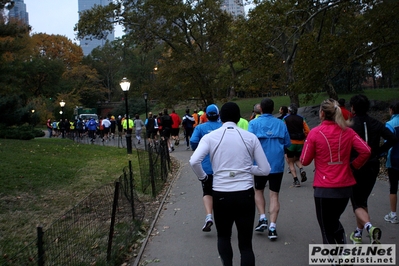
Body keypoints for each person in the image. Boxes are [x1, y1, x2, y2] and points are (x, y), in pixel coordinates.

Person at [190, 102, 271, 266]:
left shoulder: (210, 137)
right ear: (238, 117)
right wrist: (247, 168)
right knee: (246, 244)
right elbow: (265, 169)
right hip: (245, 193)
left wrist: (204, 177)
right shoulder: (250, 137)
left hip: (221, 193)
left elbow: (194, 161)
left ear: (221, 117)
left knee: (224, 236)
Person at [300, 98, 371, 245]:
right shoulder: (348, 132)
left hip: (323, 188)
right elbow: (366, 150)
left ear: (321, 113)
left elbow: (305, 160)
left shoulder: (315, 133)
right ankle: (343, 250)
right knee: (333, 221)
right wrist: (353, 166)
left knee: (326, 228)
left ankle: (335, 257)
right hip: (344, 186)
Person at [349, 94, 398, 244]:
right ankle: (358, 232)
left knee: (357, 201)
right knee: (362, 199)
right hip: (372, 165)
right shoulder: (376, 123)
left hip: (356, 165)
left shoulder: (350, 125)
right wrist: (378, 151)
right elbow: (394, 139)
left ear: (353, 108)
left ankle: (365, 230)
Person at [248, 98, 291, 240]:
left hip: (260, 164)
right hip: (276, 165)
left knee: (258, 190)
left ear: (260, 109)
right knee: (274, 195)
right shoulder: (281, 124)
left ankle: (262, 217)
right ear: (273, 109)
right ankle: (273, 227)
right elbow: (287, 143)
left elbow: (249, 144)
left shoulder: (253, 124)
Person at [190, 104, 222, 232]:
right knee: (221, 192)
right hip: (221, 166)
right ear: (218, 115)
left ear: (206, 116)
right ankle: (221, 217)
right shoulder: (222, 127)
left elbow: (193, 141)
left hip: (206, 167)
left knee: (207, 192)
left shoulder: (200, 128)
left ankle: (209, 216)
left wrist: (199, 149)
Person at [283, 103, 310, 187]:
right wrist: (304, 136)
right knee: (297, 159)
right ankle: (301, 169)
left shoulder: (285, 119)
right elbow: (307, 130)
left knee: (290, 162)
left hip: (290, 142)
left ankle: (296, 180)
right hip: (300, 142)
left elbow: (283, 130)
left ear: (289, 111)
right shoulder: (302, 118)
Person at [384, 101, 399, 224]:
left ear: (392, 110)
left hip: (394, 159)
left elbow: (386, 143)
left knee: (393, 188)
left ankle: (393, 214)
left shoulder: (390, 124)